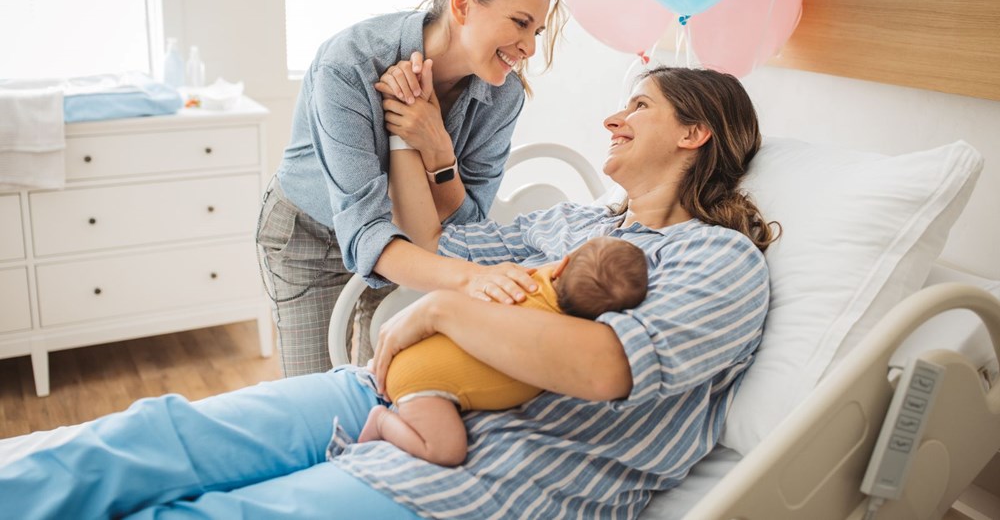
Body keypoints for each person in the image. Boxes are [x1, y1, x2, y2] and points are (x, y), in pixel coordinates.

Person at [0, 67, 778, 519]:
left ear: (694, 132)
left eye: (639, 104)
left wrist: (442, 309)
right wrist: (418, 138)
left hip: (481, 474)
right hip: (390, 390)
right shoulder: (577, 221)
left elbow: (606, 366)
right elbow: (433, 245)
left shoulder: (720, 260)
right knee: (157, 436)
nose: (613, 115)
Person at [258, 0, 565, 374]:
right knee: (318, 391)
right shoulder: (348, 65)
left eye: (537, 30)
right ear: (463, 4)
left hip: (409, 245)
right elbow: (366, 233)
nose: (530, 47)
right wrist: (474, 278)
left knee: (382, 388)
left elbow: (467, 228)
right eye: (520, 23)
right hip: (310, 238)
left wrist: (438, 146)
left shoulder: (504, 96)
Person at [357, 236, 649, 466]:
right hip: (421, 383)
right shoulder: (560, 331)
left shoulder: (531, 281)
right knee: (446, 451)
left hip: (414, 354)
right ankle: (382, 422)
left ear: (561, 266)